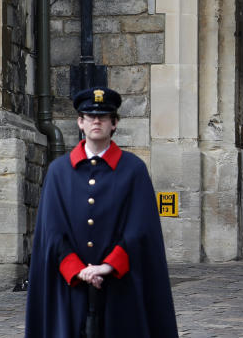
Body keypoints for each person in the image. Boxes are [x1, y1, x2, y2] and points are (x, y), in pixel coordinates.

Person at [25, 87, 178, 338]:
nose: (96, 121)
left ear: (114, 124)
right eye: (89, 116)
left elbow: (140, 229)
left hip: (120, 285)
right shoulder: (58, 172)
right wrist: (78, 269)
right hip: (70, 285)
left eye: (104, 117)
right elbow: (51, 232)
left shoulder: (133, 170)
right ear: (80, 122)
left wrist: (108, 266)